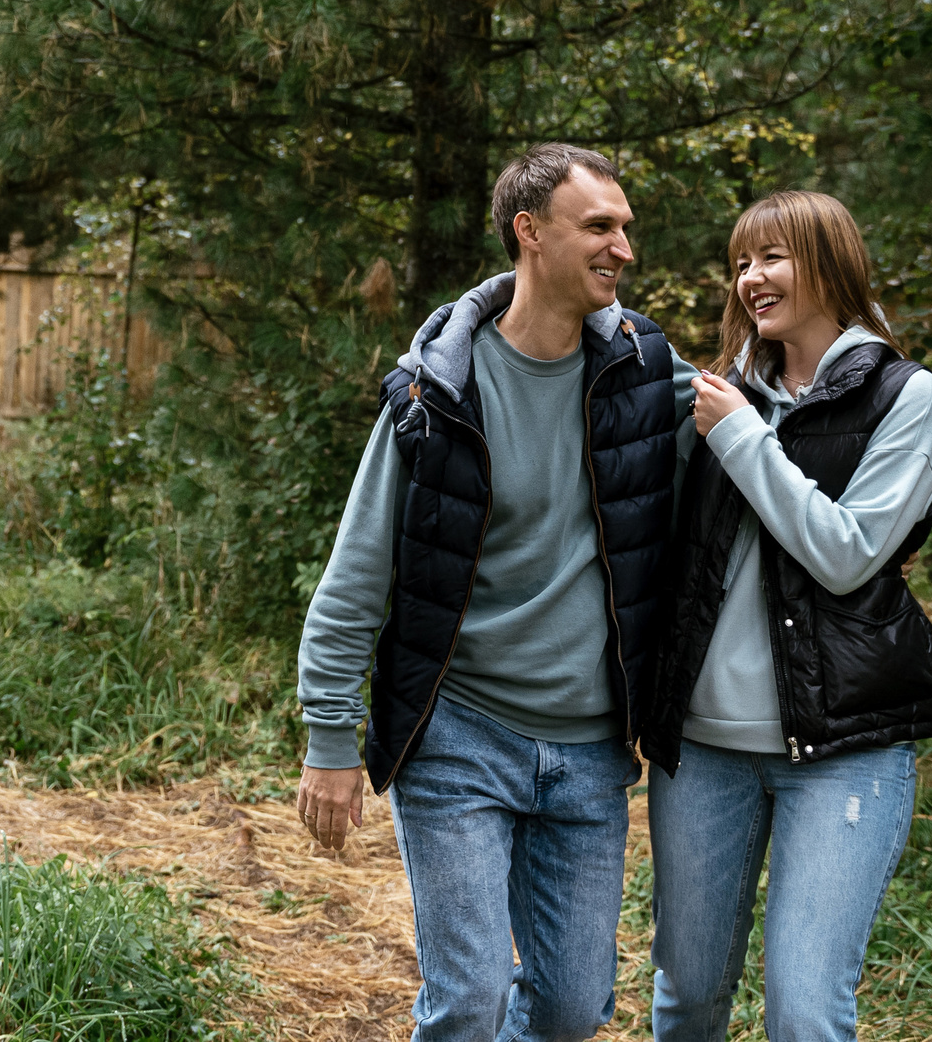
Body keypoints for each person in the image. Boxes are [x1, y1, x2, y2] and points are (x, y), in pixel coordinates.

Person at [296, 143, 700, 1042]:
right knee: (469, 999)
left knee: (568, 1009)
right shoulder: (435, 393)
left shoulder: (644, 373)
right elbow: (358, 571)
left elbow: (752, 441)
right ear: (530, 231)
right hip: (460, 736)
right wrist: (329, 736)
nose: (623, 247)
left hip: (592, 748)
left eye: (626, 228)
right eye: (600, 225)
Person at [642, 189, 932, 1042]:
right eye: (741, 261)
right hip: (703, 748)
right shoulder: (721, 390)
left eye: (772, 256)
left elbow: (849, 553)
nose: (751, 278)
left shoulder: (904, 396)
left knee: (807, 1012)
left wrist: (742, 438)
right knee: (688, 994)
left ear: (830, 261)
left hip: (844, 748)